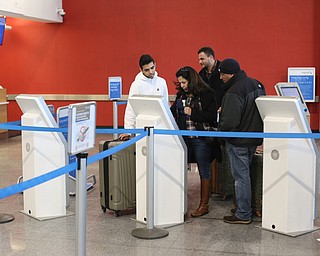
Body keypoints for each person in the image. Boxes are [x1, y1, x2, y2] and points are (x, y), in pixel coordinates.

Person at [218, 58, 265, 224]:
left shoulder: (234, 91)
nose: (221, 77)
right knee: (247, 175)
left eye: (222, 74)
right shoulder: (257, 84)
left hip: (238, 141)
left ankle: (243, 214)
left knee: (240, 177)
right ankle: (245, 207)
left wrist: (222, 135)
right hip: (253, 138)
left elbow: (230, 122)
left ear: (230, 74)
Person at [171, 66, 218, 217]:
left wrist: (193, 113)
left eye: (184, 82)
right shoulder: (181, 96)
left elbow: (211, 116)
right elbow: (172, 113)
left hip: (200, 139)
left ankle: (204, 205)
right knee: (180, 168)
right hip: (184, 138)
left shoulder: (207, 93)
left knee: (204, 170)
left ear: (191, 80)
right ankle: (177, 201)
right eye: (180, 83)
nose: (182, 85)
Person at [119, 54, 168, 140]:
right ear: (141, 70)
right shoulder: (136, 85)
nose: (151, 71)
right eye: (147, 70)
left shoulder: (162, 82)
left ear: (155, 65)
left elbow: (166, 105)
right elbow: (131, 109)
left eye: (152, 68)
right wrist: (128, 131)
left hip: (160, 127)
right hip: (142, 126)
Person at [198, 46, 225, 194]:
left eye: (202, 58)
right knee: (210, 149)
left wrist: (224, 106)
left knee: (222, 151)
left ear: (211, 57)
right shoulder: (201, 75)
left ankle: (222, 186)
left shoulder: (223, 71)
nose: (200, 62)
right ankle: (213, 187)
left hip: (223, 116)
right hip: (208, 117)